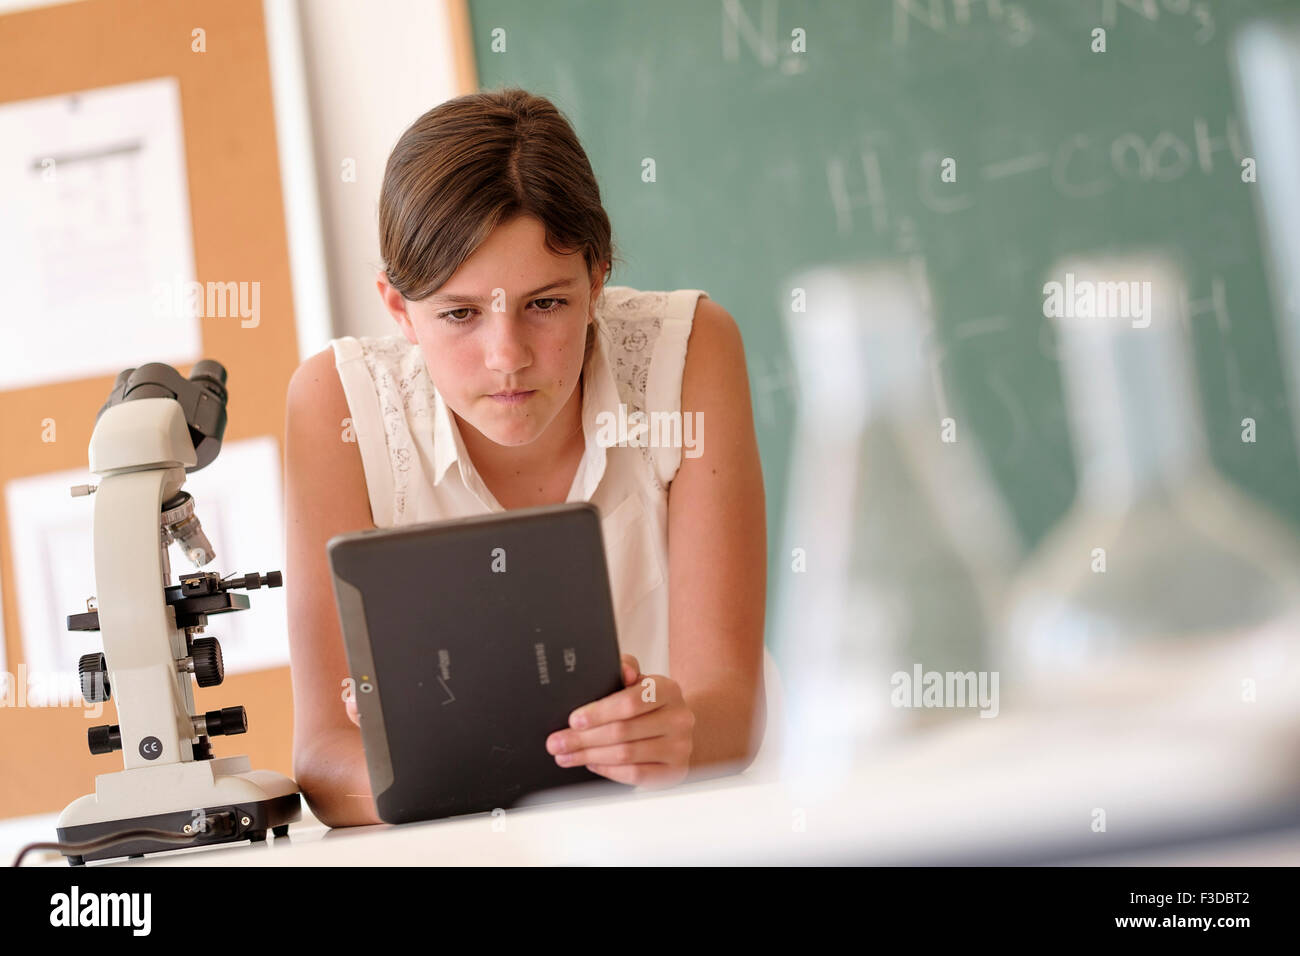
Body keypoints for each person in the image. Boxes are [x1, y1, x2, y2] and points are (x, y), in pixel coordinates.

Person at [283, 88, 769, 828]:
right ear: (396, 308)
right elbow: (321, 758)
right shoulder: (336, 404)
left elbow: (728, 709)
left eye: (546, 304)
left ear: (598, 275)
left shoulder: (693, 349)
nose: (507, 357)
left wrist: (678, 737)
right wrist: (461, 774)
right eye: (459, 314)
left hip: (690, 831)